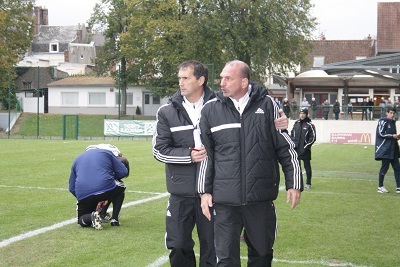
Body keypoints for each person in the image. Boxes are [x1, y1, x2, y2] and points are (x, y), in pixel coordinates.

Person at [152, 60, 289, 267]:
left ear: (201, 80)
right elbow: (158, 150)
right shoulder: (167, 111)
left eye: (185, 78)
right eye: (179, 78)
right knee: (178, 245)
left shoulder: (220, 102)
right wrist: (188, 155)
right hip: (182, 192)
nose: (180, 83)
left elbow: (252, 107)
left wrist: (278, 120)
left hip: (216, 192)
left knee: (214, 250)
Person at [198, 60, 302, 266]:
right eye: (221, 78)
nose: (222, 83)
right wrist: (204, 191)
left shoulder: (268, 105)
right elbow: (205, 155)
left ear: (244, 81)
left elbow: (285, 148)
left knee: (262, 255)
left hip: (260, 199)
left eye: (228, 78)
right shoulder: (210, 109)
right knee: (226, 259)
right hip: (225, 200)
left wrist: (294, 183)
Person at [69, 144, 129, 230]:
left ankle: (91, 216)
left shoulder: (76, 159)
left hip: (83, 194)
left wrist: (82, 198)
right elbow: (123, 172)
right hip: (105, 189)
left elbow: (71, 187)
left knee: (81, 220)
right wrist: (111, 178)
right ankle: (114, 218)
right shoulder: (106, 153)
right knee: (120, 186)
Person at [375, 107, 400, 194]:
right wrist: (392, 136)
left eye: (393, 113)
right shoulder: (383, 121)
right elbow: (381, 133)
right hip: (385, 149)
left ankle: (398, 187)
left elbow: (392, 136)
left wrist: (397, 137)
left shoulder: (393, 122)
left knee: (397, 168)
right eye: (391, 113)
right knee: (384, 168)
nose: (392, 115)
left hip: (393, 150)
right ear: (387, 113)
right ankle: (380, 186)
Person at [291, 108, 316, 189]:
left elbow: (312, 138)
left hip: (305, 150)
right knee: (296, 167)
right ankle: (297, 183)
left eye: (303, 113)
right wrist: (292, 145)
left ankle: (308, 184)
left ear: (306, 114)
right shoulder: (296, 123)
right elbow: (292, 134)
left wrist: (305, 147)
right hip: (296, 150)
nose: (301, 115)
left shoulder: (310, 125)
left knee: (307, 167)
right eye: (300, 113)